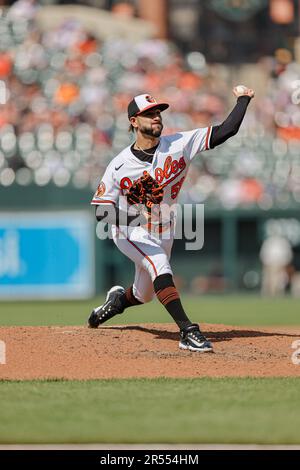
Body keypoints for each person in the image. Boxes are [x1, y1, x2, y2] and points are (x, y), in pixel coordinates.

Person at [88, 87, 254, 352]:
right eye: (149, 113)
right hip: (129, 230)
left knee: (144, 294)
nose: (156, 117)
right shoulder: (119, 166)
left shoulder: (179, 143)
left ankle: (117, 301)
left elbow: (225, 131)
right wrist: (133, 218)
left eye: (158, 112)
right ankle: (188, 332)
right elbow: (99, 211)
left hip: (164, 228)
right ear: (133, 122)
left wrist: (243, 99)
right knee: (159, 264)